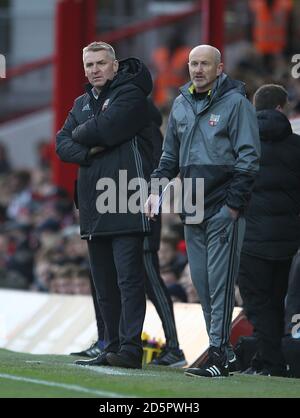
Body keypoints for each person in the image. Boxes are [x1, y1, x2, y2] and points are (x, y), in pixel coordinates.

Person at [145, 44, 260, 377]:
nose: (197, 69)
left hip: (223, 207)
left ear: (219, 67)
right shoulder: (180, 104)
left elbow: (249, 158)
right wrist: (154, 192)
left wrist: (233, 206)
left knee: (221, 284)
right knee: (204, 284)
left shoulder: (237, 104)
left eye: (204, 64)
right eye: (193, 63)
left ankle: (219, 357)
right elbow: (169, 159)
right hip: (191, 205)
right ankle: (223, 351)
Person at [56, 41, 153, 369]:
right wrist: (88, 151)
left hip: (126, 197)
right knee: (104, 282)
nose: (94, 69)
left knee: (128, 279)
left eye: (100, 63)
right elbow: (61, 144)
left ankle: (130, 349)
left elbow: (107, 129)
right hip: (94, 205)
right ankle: (109, 344)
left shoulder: (131, 96)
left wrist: (81, 136)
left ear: (114, 65)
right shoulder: (81, 102)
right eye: (89, 65)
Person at [71, 99, 186, 367]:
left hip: (140, 209)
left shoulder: (143, 128)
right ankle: (105, 340)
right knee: (104, 278)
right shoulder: (121, 126)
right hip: (111, 211)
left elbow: (158, 168)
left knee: (148, 276)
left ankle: (174, 346)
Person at [238, 84, 300, 377]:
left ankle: (271, 362)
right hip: (288, 239)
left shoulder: (241, 143)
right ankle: (267, 360)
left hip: (251, 238)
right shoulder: (297, 146)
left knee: (256, 302)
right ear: (280, 108)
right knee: (276, 300)